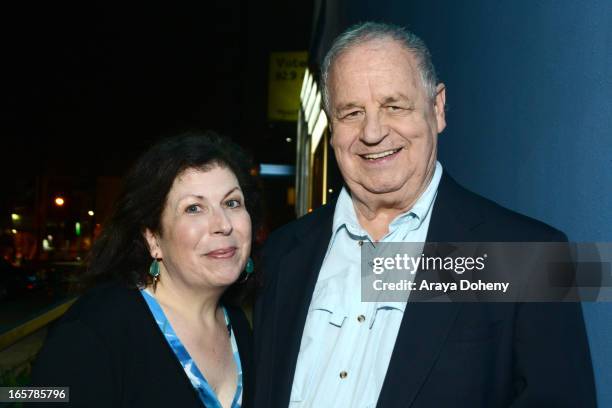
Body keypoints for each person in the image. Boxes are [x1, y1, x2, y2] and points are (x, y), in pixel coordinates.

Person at [254, 22, 596, 407]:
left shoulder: (530, 257)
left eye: (393, 106)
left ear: (437, 108)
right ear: (332, 126)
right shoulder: (283, 254)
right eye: (351, 112)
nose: (372, 132)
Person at [30, 131, 259, 408]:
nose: (223, 224)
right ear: (153, 238)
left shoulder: (239, 325)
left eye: (232, 202)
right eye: (194, 208)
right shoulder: (93, 332)